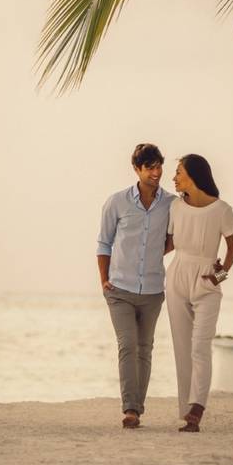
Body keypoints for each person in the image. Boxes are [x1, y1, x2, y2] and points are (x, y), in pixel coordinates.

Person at [97, 143, 174, 429]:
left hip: (153, 290)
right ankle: (130, 409)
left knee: (145, 348)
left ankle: (137, 409)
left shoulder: (171, 203)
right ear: (137, 169)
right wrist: (104, 280)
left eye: (159, 166)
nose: (156, 172)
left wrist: (154, 254)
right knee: (127, 345)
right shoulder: (116, 202)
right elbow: (104, 242)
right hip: (119, 289)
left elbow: (176, 237)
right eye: (150, 167)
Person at [165, 154, 233, 432]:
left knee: (200, 345)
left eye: (179, 172)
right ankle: (186, 410)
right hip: (177, 276)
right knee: (182, 346)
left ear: (193, 175)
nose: (174, 178)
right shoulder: (175, 207)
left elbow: (232, 249)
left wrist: (218, 277)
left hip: (207, 280)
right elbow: (169, 245)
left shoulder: (222, 210)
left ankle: (197, 407)